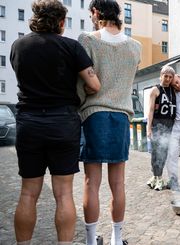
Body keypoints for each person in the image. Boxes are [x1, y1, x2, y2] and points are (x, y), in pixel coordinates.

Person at [9, 0, 101, 244]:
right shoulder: (70, 47)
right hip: (63, 123)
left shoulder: (19, 46)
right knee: (63, 194)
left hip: (29, 122)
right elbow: (94, 85)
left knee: (28, 193)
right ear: (61, 22)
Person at [78, 0, 141, 244]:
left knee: (91, 182)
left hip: (94, 114)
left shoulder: (88, 39)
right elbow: (125, 81)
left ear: (96, 12)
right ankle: (117, 239)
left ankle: (91, 240)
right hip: (121, 116)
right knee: (118, 182)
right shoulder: (136, 47)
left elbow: (82, 85)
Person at [146, 65, 176, 191]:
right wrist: (149, 128)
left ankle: (157, 176)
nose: (168, 79)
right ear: (161, 76)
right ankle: (157, 177)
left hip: (170, 124)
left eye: (170, 77)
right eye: (166, 76)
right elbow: (151, 110)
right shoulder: (155, 90)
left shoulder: (174, 90)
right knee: (156, 152)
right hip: (158, 124)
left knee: (164, 153)